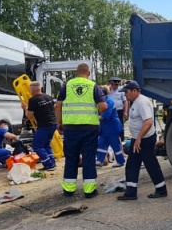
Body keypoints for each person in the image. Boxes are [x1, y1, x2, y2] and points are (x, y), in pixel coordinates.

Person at [55, 63, 107, 198]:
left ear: (76, 73)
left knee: (71, 157)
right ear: (88, 73)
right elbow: (103, 106)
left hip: (70, 127)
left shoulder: (66, 86)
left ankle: (68, 189)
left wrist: (60, 122)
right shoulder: (93, 86)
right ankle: (89, 191)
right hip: (89, 128)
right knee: (88, 158)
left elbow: (57, 106)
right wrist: (96, 113)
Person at [117, 80, 167, 201]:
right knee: (132, 164)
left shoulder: (142, 102)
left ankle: (161, 189)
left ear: (134, 90)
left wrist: (139, 138)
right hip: (138, 139)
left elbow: (148, 122)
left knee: (150, 164)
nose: (125, 94)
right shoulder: (135, 102)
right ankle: (131, 192)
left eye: (127, 92)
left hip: (145, 139)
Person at [24, 81, 58, 171]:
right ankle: (52, 162)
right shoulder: (48, 97)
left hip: (44, 125)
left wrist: (25, 108)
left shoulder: (33, 100)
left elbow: (29, 116)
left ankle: (48, 164)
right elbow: (54, 108)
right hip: (53, 123)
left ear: (32, 90)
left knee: (37, 145)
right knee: (46, 144)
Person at [96, 87, 125, 167]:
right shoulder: (101, 102)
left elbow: (105, 115)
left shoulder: (109, 102)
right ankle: (99, 160)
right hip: (105, 127)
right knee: (101, 143)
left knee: (115, 144)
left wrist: (94, 118)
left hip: (112, 127)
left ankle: (120, 161)